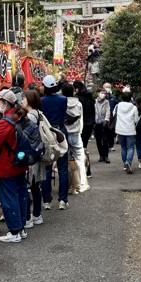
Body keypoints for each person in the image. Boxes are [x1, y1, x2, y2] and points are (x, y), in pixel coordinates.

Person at [0, 89, 29, 243]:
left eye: (0, 101)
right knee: (21, 195)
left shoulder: (5, 122)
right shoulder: (19, 116)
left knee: (9, 197)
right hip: (20, 161)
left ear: (5, 103)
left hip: (8, 164)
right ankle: (22, 228)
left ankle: (14, 231)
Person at [41, 75, 70, 210]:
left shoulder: (42, 101)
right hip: (61, 133)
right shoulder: (63, 99)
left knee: (47, 168)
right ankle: (63, 200)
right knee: (63, 168)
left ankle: (47, 200)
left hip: (47, 134)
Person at [21, 89, 46, 227]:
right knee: (36, 186)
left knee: (27, 186)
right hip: (38, 153)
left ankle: (28, 217)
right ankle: (37, 214)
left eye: (24, 99)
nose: (22, 101)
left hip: (31, 155)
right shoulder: (39, 113)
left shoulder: (30, 116)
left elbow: (24, 137)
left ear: (29, 100)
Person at [62, 83, 89, 193]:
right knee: (79, 159)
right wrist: (80, 131)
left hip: (64, 134)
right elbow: (81, 119)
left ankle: (69, 185)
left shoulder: (62, 103)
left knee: (66, 161)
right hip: (75, 134)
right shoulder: (78, 104)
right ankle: (82, 183)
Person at [74, 80, 95, 178]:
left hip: (80, 126)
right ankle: (88, 170)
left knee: (78, 148)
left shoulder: (77, 99)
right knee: (84, 147)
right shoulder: (90, 98)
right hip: (89, 125)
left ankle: (82, 169)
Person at [115, 91, 139, 174]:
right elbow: (136, 120)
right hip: (130, 130)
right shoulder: (134, 107)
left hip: (120, 130)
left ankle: (125, 164)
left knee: (123, 147)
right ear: (130, 98)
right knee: (131, 147)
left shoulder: (117, 106)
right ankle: (128, 162)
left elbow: (113, 114)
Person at [95, 89, 111, 163]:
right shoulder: (94, 102)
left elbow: (108, 111)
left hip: (104, 123)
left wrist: (106, 119)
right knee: (98, 140)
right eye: (102, 93)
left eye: (105, 93)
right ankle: (101, 155)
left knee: (105, 140)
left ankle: (106, 156)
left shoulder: (106, 102)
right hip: (96, 123)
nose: (103, 94)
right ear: (98, 93)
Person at [102, 82, 119, 151]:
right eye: (106, 87)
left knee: (111, 131)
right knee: (104, 131)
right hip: (103, 116)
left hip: (112, 116)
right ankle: (104, 145)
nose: (107, 89)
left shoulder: (113, 97)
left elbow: (116, 105)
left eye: (109, 87)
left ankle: (111, 145)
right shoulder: (102, 97)